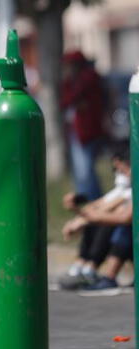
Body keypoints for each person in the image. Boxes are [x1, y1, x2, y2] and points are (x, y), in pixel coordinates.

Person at [59, 148, 132, 293]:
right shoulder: (125, 187)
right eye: (114, 169)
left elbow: (123, 217)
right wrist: (79, 217)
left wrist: (79, 215)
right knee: (99, 220)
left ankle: (100, 272)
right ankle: (83, 266)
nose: (119, 174)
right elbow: (102, 205)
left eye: (120, 168)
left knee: (113, 224)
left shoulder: (132, 188)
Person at [61, 51, 106, 201]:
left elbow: (74, 97)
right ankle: (85, 199)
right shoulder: (72, 80)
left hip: (88, 132)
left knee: (86, 170)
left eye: (69, 65)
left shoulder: (88, 77)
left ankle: (94, 199)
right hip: (77, 130)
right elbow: (66, 101)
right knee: (80, 171)